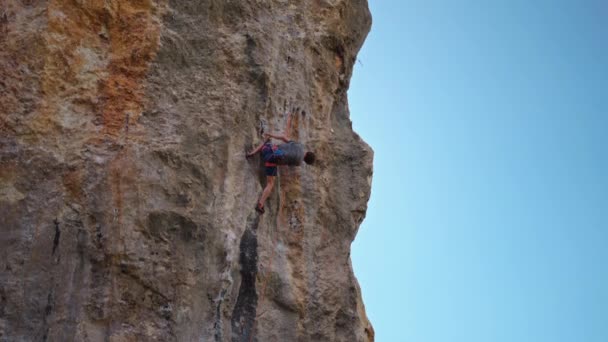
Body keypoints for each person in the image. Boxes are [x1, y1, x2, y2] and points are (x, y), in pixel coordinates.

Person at [246, 108, 316, 214]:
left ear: (307, 152)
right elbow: (286, 163)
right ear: (305, 161)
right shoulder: (298, 162)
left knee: (267, 143)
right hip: (271, 162)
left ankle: (252, 153)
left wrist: (271, 135)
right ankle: (260, 204)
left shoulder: (299, 146)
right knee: (270, 184)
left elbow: (284, 137)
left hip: (267, 150)